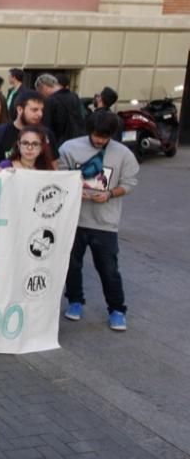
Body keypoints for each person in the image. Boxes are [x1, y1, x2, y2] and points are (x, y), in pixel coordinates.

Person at [58, 110, 139, 331]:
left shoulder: (123, 154)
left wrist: (111, 194)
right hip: (74, 220)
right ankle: (75, 301)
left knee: (108, 268)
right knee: (71, 265)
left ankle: (117, 309)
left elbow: (130, 183)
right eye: (96, 135)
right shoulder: (69, 148)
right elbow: (60, 176)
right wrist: (74, 189)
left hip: (105, 222)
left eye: (105, 137)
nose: (100, 140)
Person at [0, 90, 57, 167]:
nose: (40, 114)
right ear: (20, 109)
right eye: (34, 110)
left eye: (41, 110)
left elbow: (54, 169)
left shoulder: (47, 135)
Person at [36, 73, 84, 148]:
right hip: (77, 142)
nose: (42, 95)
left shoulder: (50, 101)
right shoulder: (74, 97)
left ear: (43, 87)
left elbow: (47, 127)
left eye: (40, 92)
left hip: (59, 144)